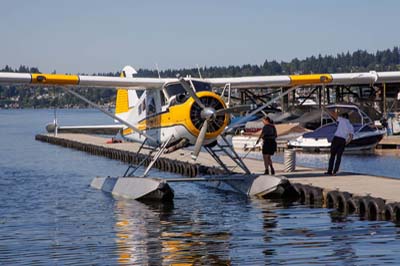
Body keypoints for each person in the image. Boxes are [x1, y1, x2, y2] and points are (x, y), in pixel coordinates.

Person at [325, 111, 354, 175]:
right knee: (339, 157)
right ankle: (335, 171)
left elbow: (334, 115)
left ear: (343, 117)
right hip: (343, 140)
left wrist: (326, 110)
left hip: (336, 139)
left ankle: (329, 171)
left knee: (332, 156)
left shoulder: (342, 120)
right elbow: (351, 136)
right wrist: (346, 143)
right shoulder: (350, 126)